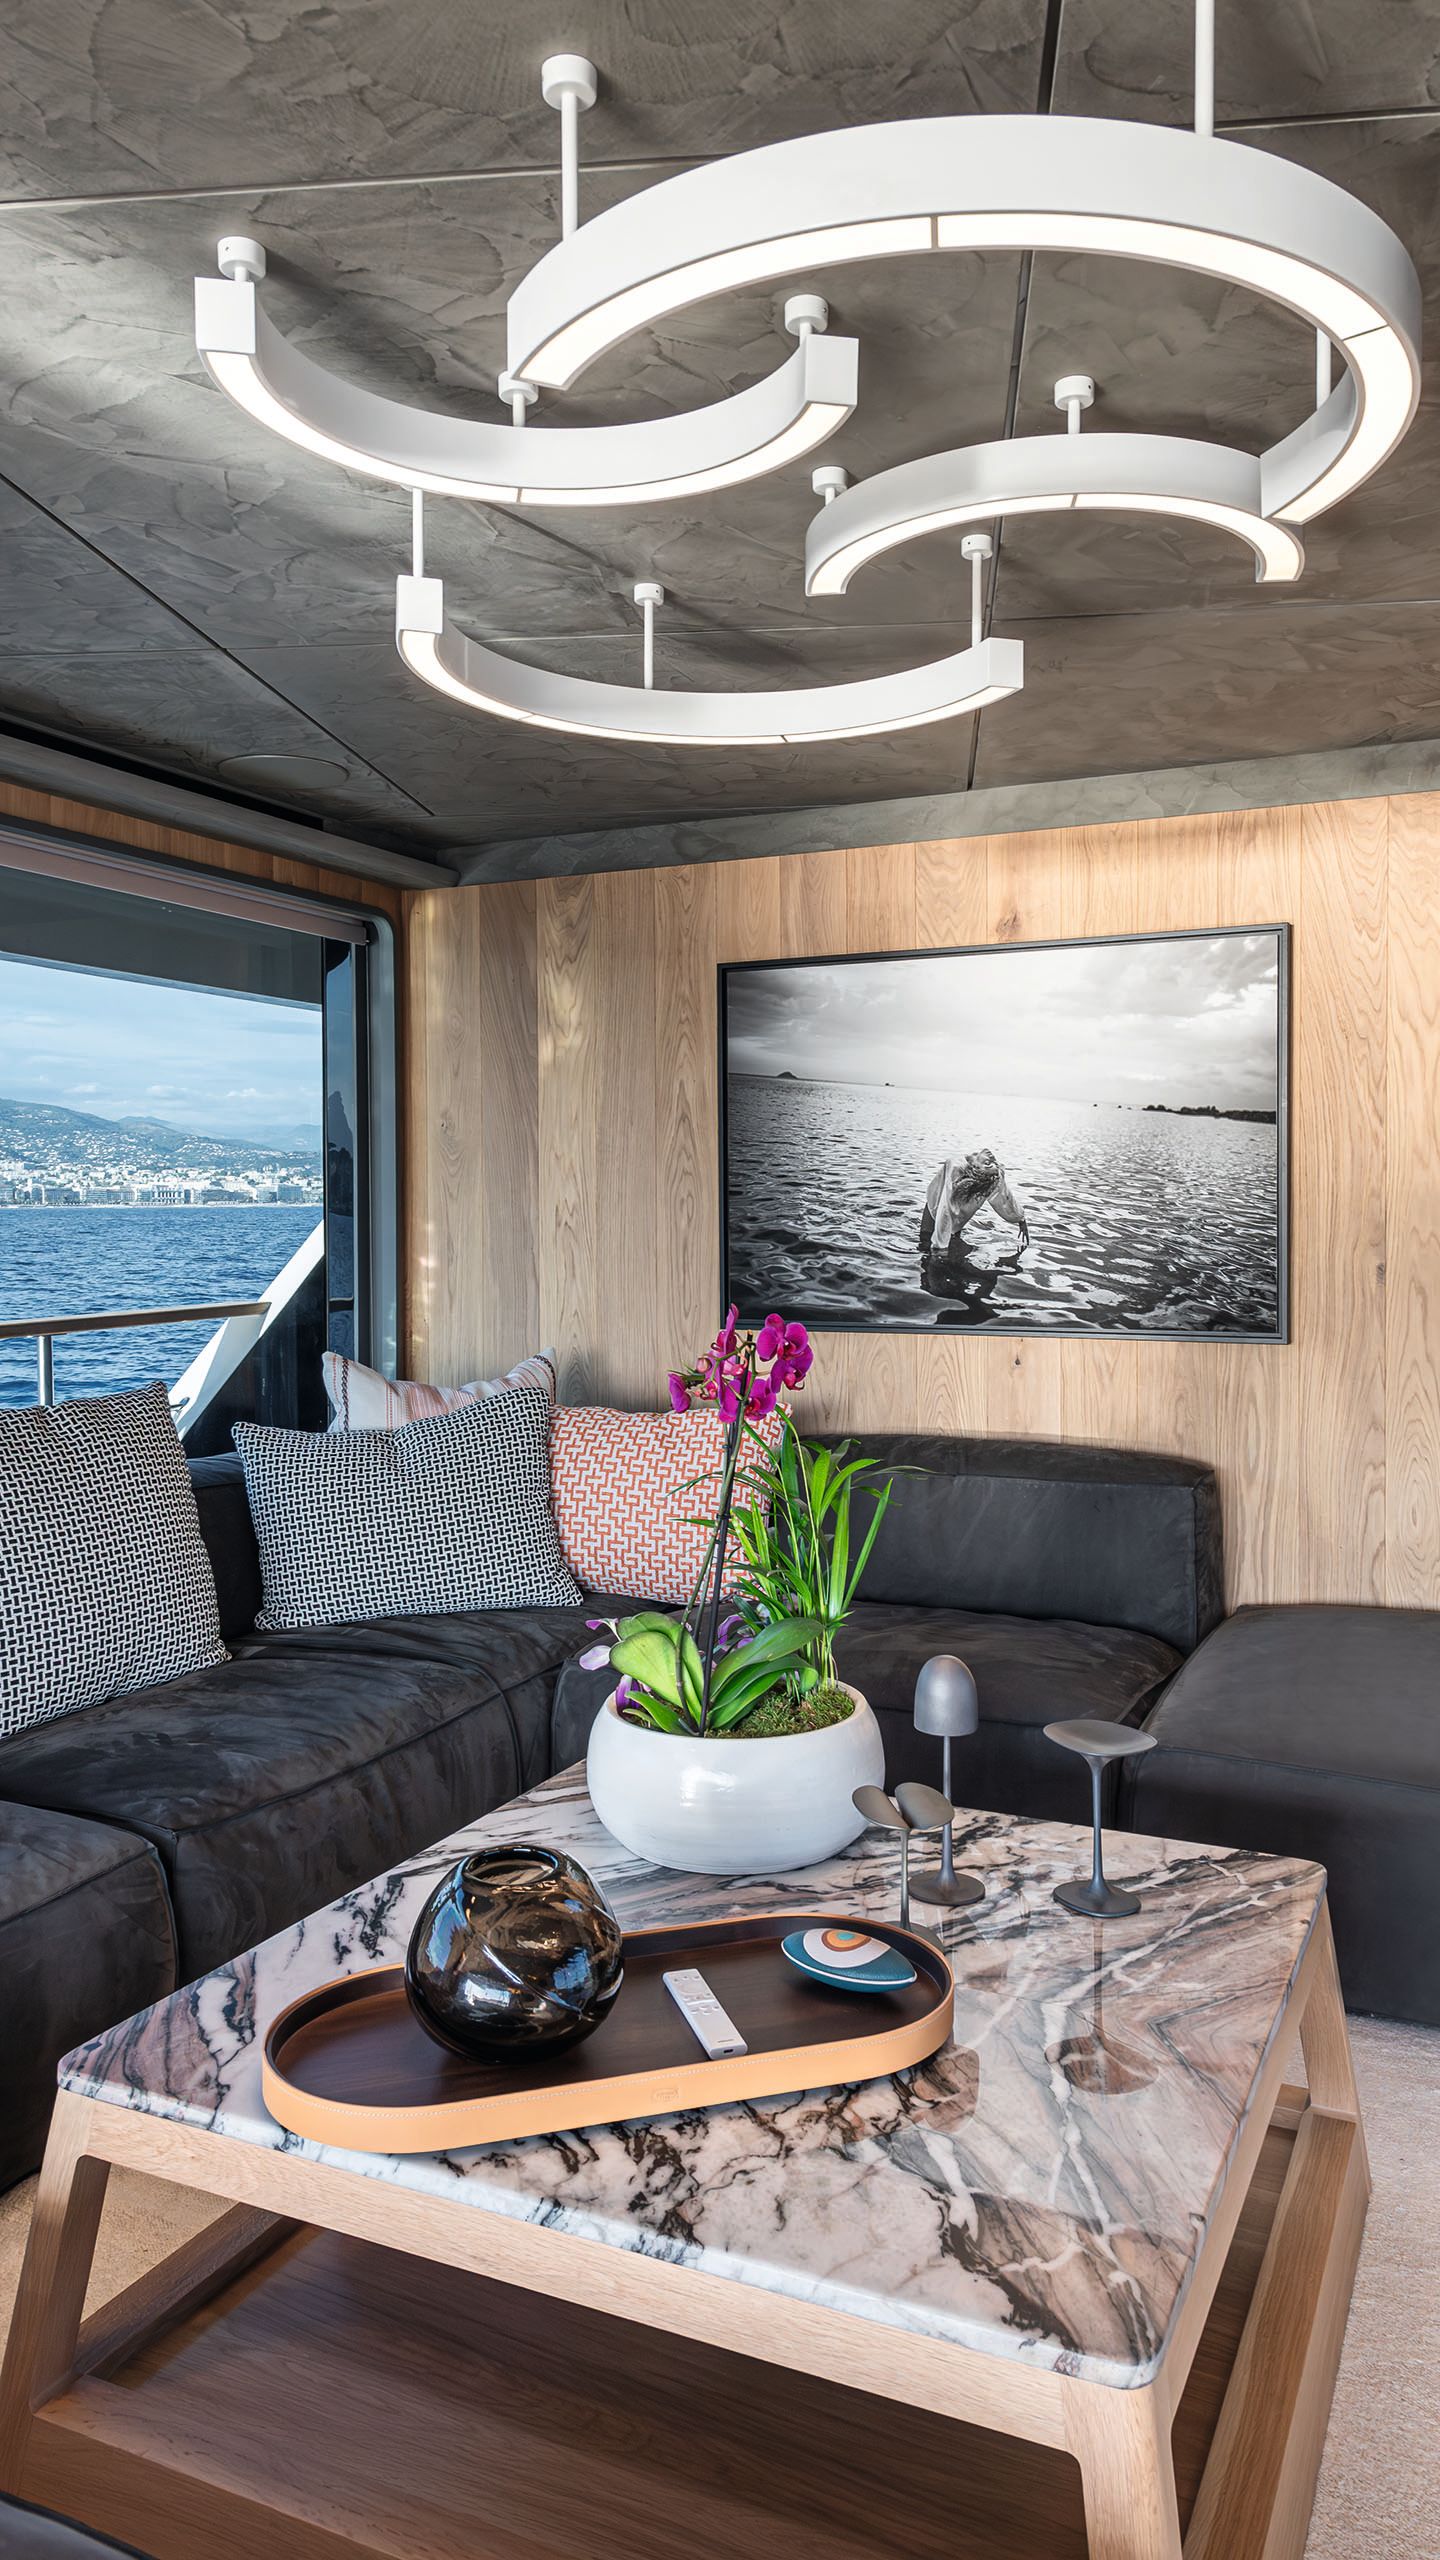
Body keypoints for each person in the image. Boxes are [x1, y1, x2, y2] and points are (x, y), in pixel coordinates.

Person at [919, 1150, 1030, 1299]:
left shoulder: (994, 1173)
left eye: (991, 1163)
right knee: (927, 1244)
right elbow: (945, 1211)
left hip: (964, 1204)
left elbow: (1004, 1196)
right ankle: (940, 1281)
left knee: (952, 1250)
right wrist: (939, 1251)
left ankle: (958, 1286)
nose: (990, 1158)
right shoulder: (955, 1168)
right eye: (986, 1163)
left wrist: (1020, 1218)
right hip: (937, 1202)